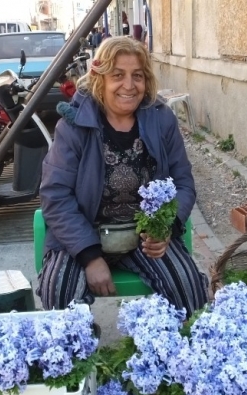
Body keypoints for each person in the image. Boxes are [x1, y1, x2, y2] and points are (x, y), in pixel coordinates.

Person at [37, 36, 208, 316]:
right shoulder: (74, 125)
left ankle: (172, 350)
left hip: (144, 237)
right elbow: (55, 195)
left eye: (137, 76)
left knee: (189, 289)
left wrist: (166, 228)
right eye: (118, 75)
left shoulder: (161, 119)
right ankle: (79, 349)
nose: (129, 86)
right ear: (99, 78)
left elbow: (183, 183)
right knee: (59, 295)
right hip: (83, 235)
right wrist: (90, 257)